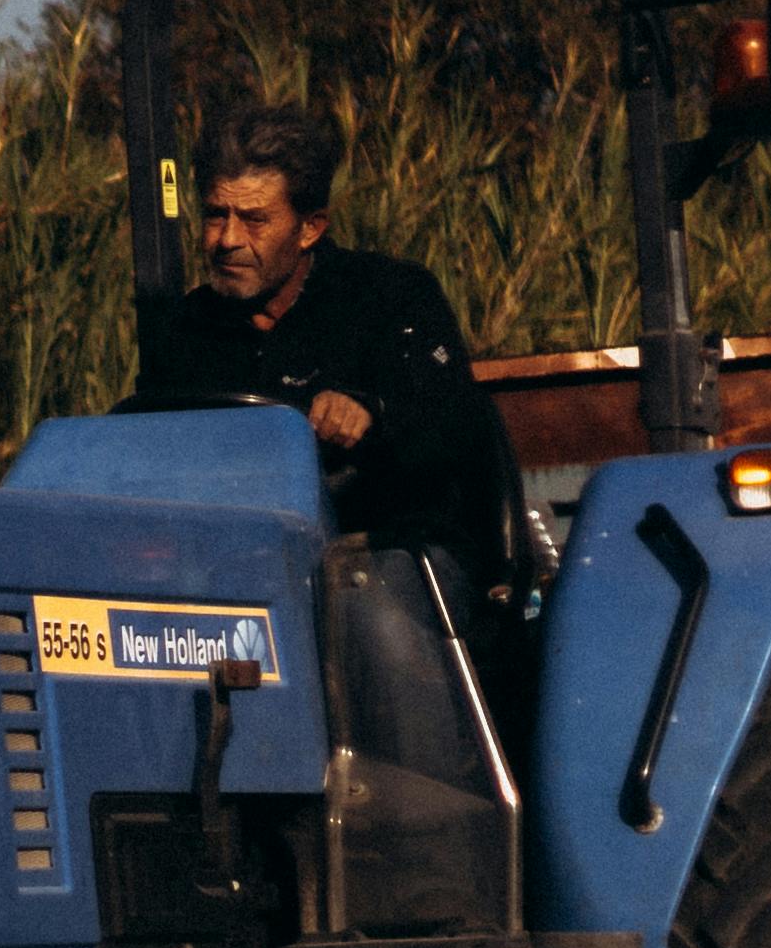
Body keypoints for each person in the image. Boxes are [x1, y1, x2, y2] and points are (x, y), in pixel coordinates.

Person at [138, 105, 519, 600]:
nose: (228, 240)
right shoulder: (188, 331)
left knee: (368, 600)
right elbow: (147, 452)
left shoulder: (391, 298)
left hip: (385, 559)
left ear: (310, 228)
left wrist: (371, 414)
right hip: (232, 567)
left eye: (254, 220)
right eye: (216, 215)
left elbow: (448, 427)